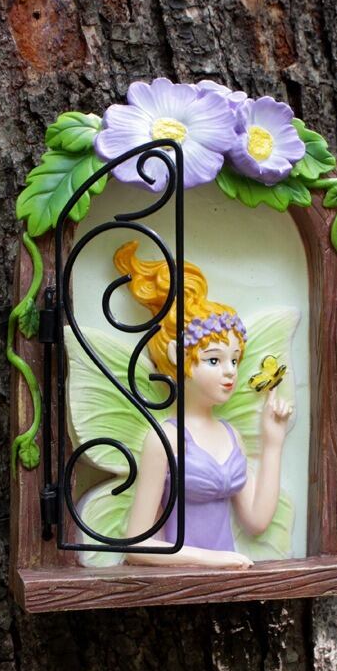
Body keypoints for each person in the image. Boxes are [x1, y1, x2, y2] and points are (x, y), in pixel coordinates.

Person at [113, 241, 293, 568]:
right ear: (177, 357)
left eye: (234, 360)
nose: (230, 371)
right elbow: (137, 544)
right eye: (213, 360)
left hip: (231, 580)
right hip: (182, 583)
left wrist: (273, 443)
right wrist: (212, 560)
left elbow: (256, 520)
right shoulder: (166, 439)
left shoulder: (231, 435)